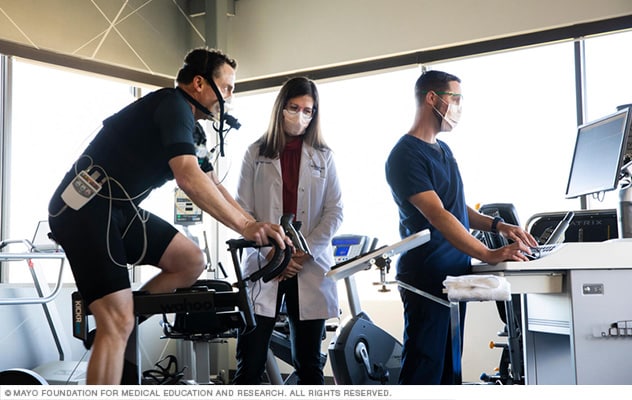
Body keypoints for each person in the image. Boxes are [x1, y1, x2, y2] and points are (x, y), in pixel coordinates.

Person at [47, 47, 288, 385]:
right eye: (228, 86)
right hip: (82, 210)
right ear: (200, 83)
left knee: (190, 260)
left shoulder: (193, 128)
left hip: (119, 209)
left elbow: (212, 183)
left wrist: (254, 227)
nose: (231, 96)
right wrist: (247, 226)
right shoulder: (172, 105)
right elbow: (188, 177)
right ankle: (116, 321)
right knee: (116, 323)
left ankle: (120, 316)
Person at [384, 70, 537, 385]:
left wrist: (498, 225)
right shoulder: (405, 155)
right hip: (427, 276)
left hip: (453, 275)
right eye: (456, 99)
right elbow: (438, 214)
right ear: (432, 98)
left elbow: (457, 207)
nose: (459, 108)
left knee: (450, 372)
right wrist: (487, 253)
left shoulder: (443, 150)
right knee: (424, 370)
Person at [233, 77, 343, 384]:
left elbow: (335, 212)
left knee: (309, 365)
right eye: (294, 107)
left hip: (307, 264)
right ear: (281, 108)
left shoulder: (324, 156)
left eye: (308, 110)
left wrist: (302, 253)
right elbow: (242, 210)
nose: (300, 115)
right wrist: (275, 254)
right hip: (264, 262)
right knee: (251, 363)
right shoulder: (255, 153)